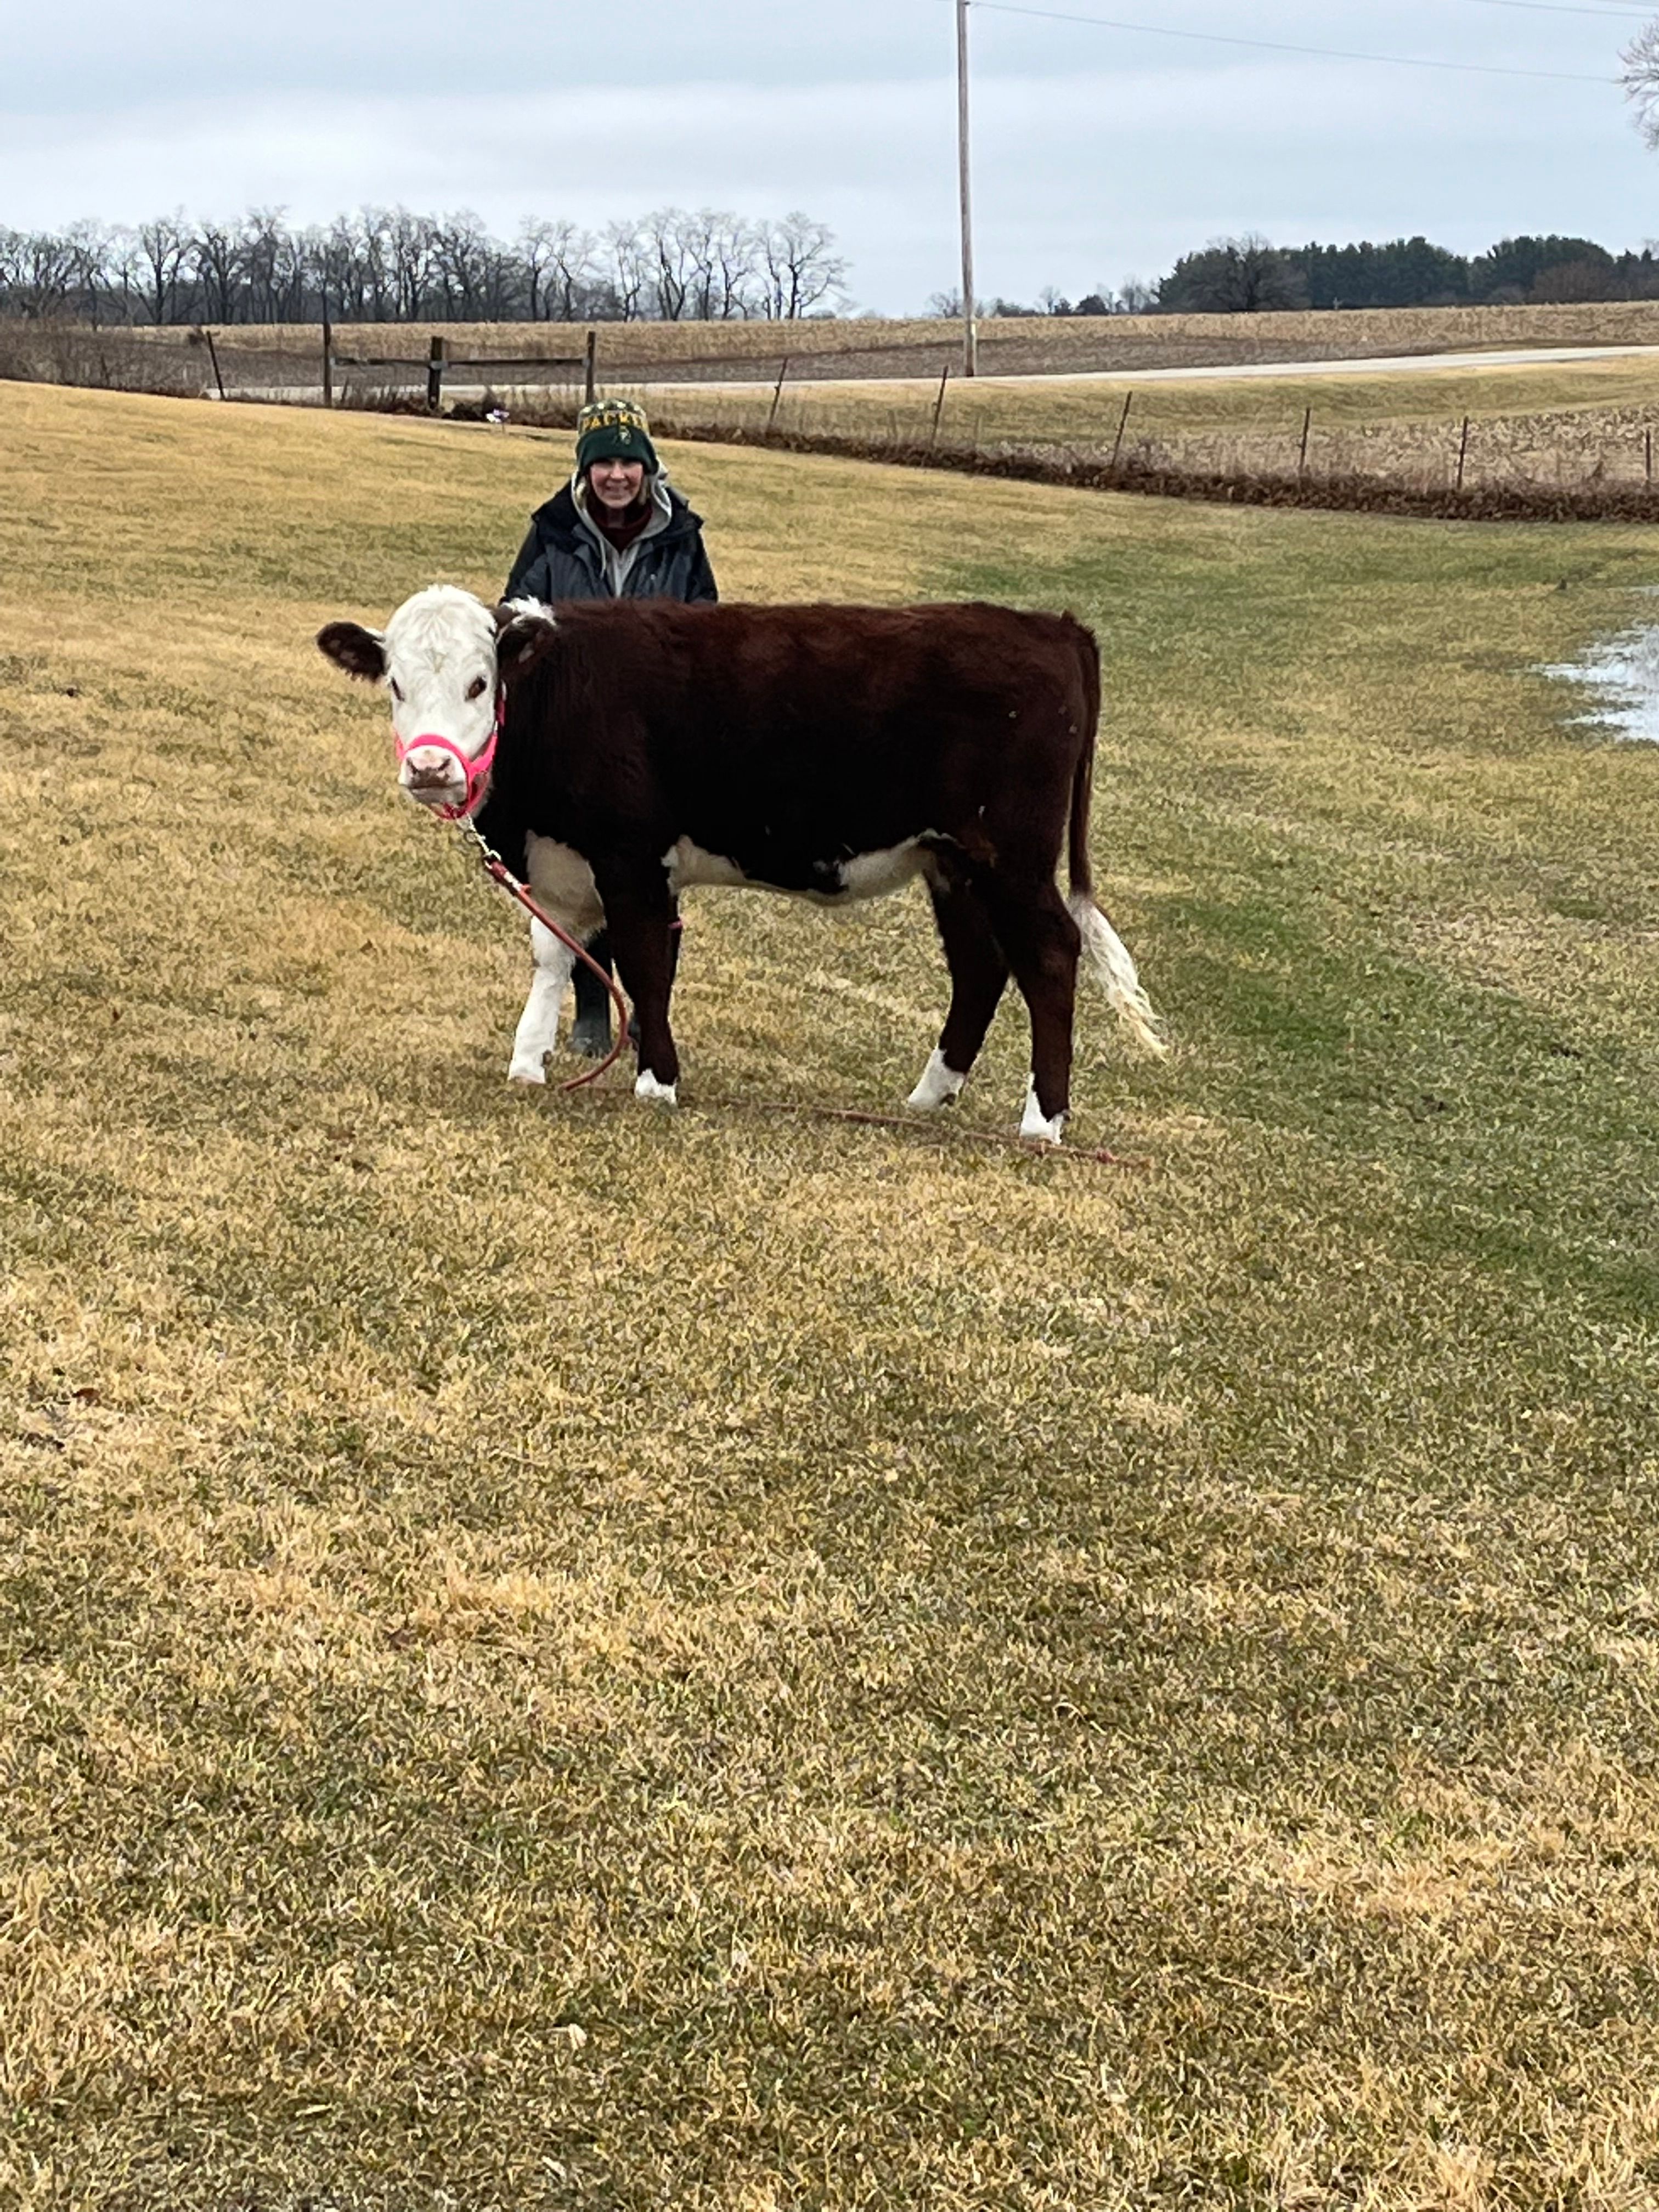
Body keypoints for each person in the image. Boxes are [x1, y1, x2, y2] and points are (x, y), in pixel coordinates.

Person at [504, 396, 718, 1055]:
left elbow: (707, 622)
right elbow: (514, 618)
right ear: (585, 470)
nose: (617, 475)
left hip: (660, 729)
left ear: (649, 466)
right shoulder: (552, 531)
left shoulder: (681, 534)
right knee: (584, 869)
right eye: (604, 463)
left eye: (629, 461)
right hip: (577, 728)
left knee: (658, 874)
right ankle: (594, 1006)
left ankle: (654, 1012)